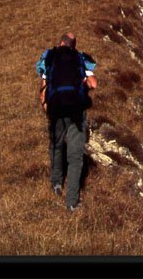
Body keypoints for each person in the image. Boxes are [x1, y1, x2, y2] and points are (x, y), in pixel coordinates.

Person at [35, 32, 97, 212]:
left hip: (56, 110)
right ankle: (71, 202)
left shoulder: (50, 57)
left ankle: (56, 183)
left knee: (56, 146)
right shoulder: (79, 58)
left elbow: (43, 88)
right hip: (76, 111)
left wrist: (47, 106)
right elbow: (93, 84)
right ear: (74, 45)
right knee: (76, 157)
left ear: (60, 42)